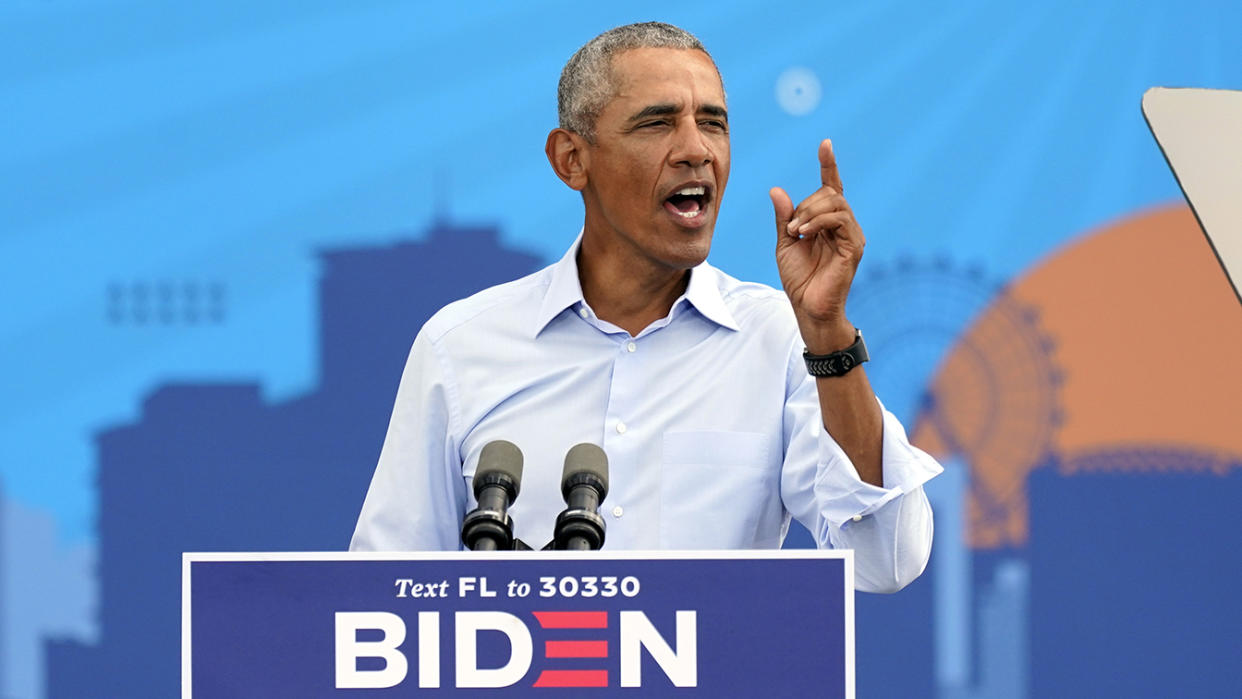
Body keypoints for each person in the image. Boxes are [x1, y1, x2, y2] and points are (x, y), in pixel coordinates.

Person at [350, 22, 942, 593]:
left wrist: (829, 336)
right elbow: (380, 595)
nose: (696, 150)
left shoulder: (783, 341)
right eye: (658, 123)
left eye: (713, 123)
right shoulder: (461, 345)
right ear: (571, 160)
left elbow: (886, 560)